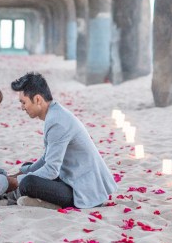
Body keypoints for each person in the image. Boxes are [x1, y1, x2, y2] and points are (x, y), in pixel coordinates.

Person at [10, 72, 117, 208]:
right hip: (70, 177)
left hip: (84, 190)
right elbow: (45, 159)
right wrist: (22, 172)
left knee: (28, 183)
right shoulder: (55, 113)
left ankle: (50, 204)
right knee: (27, 168)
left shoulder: (57, 122)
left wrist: (15, 181)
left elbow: (51, 170)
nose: (22, 107)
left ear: (37, 99)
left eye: (23, 102)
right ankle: (40, 199)